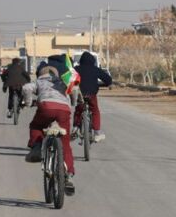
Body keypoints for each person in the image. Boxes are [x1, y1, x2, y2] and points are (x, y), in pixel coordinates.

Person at [23, 65, 76, 195]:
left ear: (40, 73)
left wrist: (29, 103)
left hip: (46, 107)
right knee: (65, 143)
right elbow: (74, 89)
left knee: (36, 126)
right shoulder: (62, 81)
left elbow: (26, 88)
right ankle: (68, 173)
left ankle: (36, 147)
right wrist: (72, 102)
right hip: (64, 110)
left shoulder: (39, 81)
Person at [74, 51, 113, 141]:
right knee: (95, 111)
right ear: (92, 60)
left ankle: (75, 128)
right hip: (91, 95)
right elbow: (107, 78)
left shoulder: (76, 69)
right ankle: (96, 132)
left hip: (80, 94)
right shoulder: (95, 69)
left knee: (78, 110)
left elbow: (69, 78)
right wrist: (109, 84)